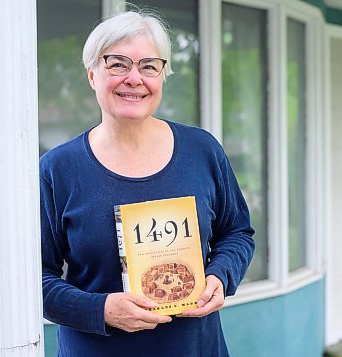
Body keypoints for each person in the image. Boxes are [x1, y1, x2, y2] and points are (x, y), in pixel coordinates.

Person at [40, 10, 255, 357]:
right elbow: (36, 280)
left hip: (196, 348)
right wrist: (102, 310)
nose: (134, 78)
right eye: (117, 64)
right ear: (91, 73)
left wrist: (220, 277)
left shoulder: (202, 151)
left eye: (149, 66)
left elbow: (237, 233)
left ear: (163, 76)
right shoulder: (57, 170)